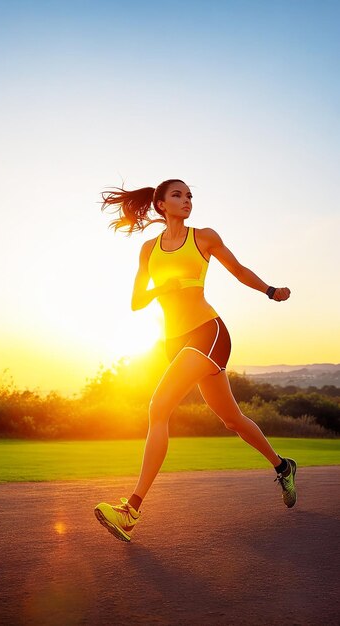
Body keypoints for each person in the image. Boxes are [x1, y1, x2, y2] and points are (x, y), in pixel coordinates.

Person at [94, 178, 297, 543]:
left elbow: (237, 270)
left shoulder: (203, 237)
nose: (186, 200)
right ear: (161, 204)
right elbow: (137, 302)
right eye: (178, 195)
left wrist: (269, 290)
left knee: (159, 407)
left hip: (208, 331)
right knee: (231, 418)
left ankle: (131, 510)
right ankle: (283, 466)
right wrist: (163, 288)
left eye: (190, 196)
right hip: (175, 342)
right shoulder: (148, 249)